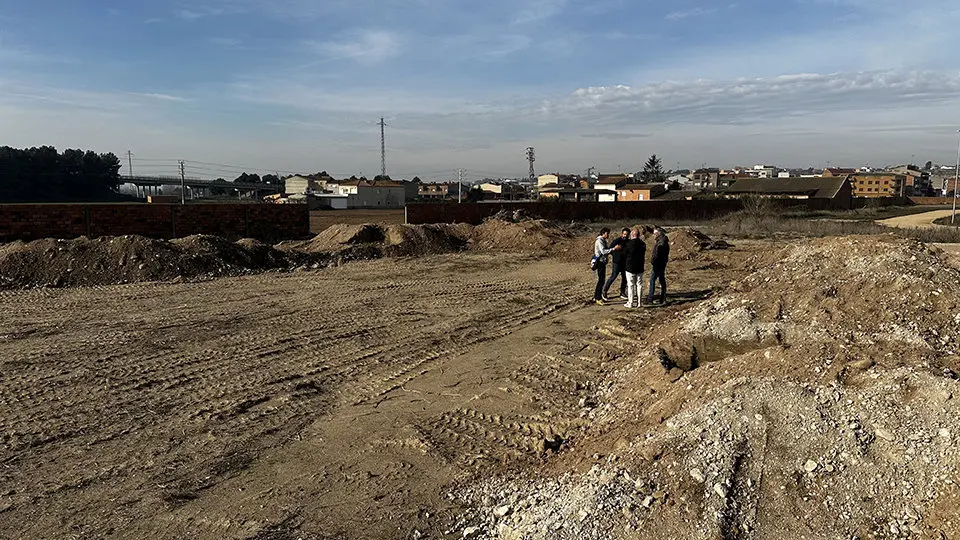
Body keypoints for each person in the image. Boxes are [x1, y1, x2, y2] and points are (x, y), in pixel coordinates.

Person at [593, 227, 620, 304]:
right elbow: (603, 251)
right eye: (607, 233)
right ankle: (598, 298)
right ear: (603, 233)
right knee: (601, 280)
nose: (608, 235)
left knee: (601, 280)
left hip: (602, 262)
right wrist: (614, 249)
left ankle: (596, 296)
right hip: (600, 262)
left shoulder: (603, 240)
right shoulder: (600, 241)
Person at [602, 228, 630, 301]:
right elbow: (610, 250)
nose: (625, 236)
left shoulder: (629, 242)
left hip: (625, 263)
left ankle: (622, 293)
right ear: (621, 234)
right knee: (613, 276)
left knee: (625, 278)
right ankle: (604, 291)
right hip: (617, 262)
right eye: (624, 234)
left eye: (626, 235)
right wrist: (616, 254)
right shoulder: (616, 241)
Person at [622, 228, 646, 308]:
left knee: (630, 285)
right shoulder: (643, 244)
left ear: (632, 235)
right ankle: (639, 303)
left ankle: (630, 302)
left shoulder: (629, 244)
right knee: (639, 285)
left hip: (630, 267)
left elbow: (624, 253)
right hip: (640, 267)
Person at [646, 227, 670, 304]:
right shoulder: (662, 241)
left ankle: (650, 298)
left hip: (658, 264)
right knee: (661, 279)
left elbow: (658, 254)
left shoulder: (661, 243)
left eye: (654, 234)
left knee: (653, 280)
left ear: (657, 234)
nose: (653, 236)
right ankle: (663, 297)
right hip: (662, 263)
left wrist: (653, 261)